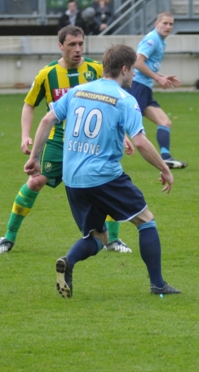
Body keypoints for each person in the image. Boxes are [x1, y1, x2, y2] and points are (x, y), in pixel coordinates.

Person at [24, 44, 180, 298]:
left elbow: (46, 120)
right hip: (104, 175)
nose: (133, 79)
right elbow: (140, 141)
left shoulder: (77, 91)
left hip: (73, 178)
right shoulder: (124, 99)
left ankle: (69, 261)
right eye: (132, 73)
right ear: (125, 69)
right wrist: (165, 168)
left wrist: (35, 158)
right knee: (145, 220)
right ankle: (158, 284)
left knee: (98, 236)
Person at [0, 26, 130, 254]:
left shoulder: (96, 69)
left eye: (81, 44)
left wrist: (125, 134)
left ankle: (113, 240)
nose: (78, 49)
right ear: (60, 46)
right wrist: (25, 135)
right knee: (35, 181)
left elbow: (115, 102)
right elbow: (29, 104)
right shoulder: (46, 74)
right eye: (72, 45)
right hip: (59, 140)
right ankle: (8, 237)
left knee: (107, 182)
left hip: (92, 140)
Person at [127, 12, 188, 169]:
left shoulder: (160, 41)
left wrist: (162, 76)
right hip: (138, 86)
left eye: (171, 24)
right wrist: (157, 78)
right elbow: (138, 63)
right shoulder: (152, 39)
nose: (168, 27)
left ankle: (166, 157)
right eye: (165, 23)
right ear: (157, 23)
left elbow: (148, 65)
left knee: (165, 122)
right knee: (125, 125)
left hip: (145, 88)